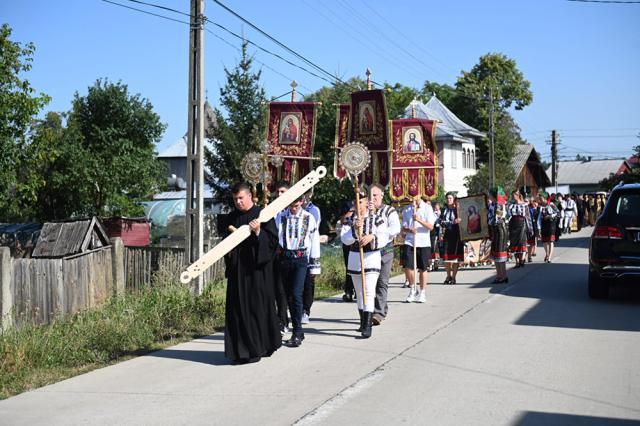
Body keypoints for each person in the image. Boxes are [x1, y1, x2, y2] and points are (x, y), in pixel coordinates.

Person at [222, 182, 282, 364]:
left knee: (257, 309)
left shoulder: (262, 215)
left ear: (249, 196)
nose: (238, 202)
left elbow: (272, 243)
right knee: (237, 311)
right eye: (235, 199)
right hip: (237, 272)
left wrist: (258, 233)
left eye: (241, 198)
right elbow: (225, 245)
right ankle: (240, 352)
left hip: (257, 273)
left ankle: (259, 348)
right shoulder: (231, 218)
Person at [340, 191, 388, 338]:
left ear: (366, 202)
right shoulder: (349, 220)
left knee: (369, 291)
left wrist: (371, 236)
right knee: (359, 292)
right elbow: (345, 239)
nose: (357, 204)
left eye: (360, 201)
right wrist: (355, 229)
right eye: (355, 202)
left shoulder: (377, 218)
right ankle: (362, 321)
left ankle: (368, 325)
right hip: (355, 257)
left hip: (371, 256)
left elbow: (384, 236)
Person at [275, 194, 321, 348]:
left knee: (296, 294)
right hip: (285, 259)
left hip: (301, 259)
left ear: (301, 202)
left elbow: (314, 241)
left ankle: (297, 331)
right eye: (291, 206)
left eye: (296, 205)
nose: (293, 209)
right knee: (288, 296)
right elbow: (276, 238)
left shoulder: (309, 217)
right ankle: (297, 330)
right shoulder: (281, 217)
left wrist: (314, 265)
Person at [369, 184, 401, 324]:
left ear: (382, 195)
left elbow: (395, 228)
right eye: (370, 195)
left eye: (375, 195)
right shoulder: (365, 210)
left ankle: (379, 313)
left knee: (382, 281)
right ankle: (380, 308)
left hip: (385, 251)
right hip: (370, 252)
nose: (373, 198)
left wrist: (381, 236)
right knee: (372, 283)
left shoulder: (389, 211)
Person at [402, 195, 436, 303]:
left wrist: (418, 220)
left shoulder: (427, 208)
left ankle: (422, 292)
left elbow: (430, 226)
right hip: (410, 241)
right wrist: (409, 229)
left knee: (423, 268)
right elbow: (403, 228)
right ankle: (412, 288)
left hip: (423, 241)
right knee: (407, 266)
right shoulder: (406, 209)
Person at [272, 181, 292, 335]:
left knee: (289, 291)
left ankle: (291, 320)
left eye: (283, 192)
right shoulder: (272, 211)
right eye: (278, 192)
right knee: (277, 290)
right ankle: (280, 320)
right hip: (274, 256)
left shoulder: (293, 211)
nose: (279, 195)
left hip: (290, 256)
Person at [301, 192, 321, 324]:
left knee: (308, 284)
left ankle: (305, 310)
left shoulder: (313, 211)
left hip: (308, 253)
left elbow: (313, 233)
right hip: (292, 255)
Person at [441, 192, 464, 284]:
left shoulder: (458, 210)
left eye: (450, 198)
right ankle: (448, 276)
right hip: (447, 234)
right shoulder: (444, 210)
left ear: (454, 199)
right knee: (447, 257)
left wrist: (459, 221)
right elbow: (440, 221)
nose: (448, 200)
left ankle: (454, 277)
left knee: (455, 258)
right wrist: (450, 223)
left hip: (457, 235)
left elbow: (464, 221)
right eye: (447, 198)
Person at [507, 190, 533, 268]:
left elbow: (528, 217)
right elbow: (507, 215)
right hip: (513, 224)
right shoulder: (510, 204)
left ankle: (522, 259)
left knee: (522, 242)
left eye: (514, 195)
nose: (512, 197)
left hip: (522, 224)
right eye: (512, 195)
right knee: (514, 243)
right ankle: (517, 262)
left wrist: (530, 228)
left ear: (517, 195)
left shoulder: (524, 205)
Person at [488, 187, 509, 283]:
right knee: (496, 253)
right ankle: (499, 275)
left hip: (500, 230)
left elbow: (497, 218)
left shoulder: (499, 205)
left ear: (493, 196)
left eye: (490, 195)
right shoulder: (492, 204)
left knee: (500, 254)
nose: (489, 196)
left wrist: (487, 223)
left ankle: (503, 276)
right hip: (495, 230)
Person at [337, 201, 355, 302]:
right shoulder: (348, 204)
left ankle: (359, 290)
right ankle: (349, 291)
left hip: (360, 242)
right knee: (349, 268)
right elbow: (342, 220)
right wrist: (349, 214)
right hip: (348, 243)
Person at [537, 192, 559, 263]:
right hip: (544, 224)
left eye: (541, 198)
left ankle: (549, 257)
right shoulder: (540, 207)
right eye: (540, 198)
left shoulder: (551, 205)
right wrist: (539, 228)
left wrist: (550, 216)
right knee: (545, 241)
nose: (540, 199)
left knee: (550, 241)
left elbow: (557, 213)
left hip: (551, 224)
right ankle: (546, 254)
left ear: (545, 198)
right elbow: (539, 218)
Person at [527, 198, 539, 263]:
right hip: (524, 227)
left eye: (527, 201)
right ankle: (523, 258)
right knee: (526, 243)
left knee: (532, 242)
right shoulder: (524, 208)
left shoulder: (534, 210)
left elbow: (537, 219)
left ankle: (529, 256)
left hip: (532, 227)